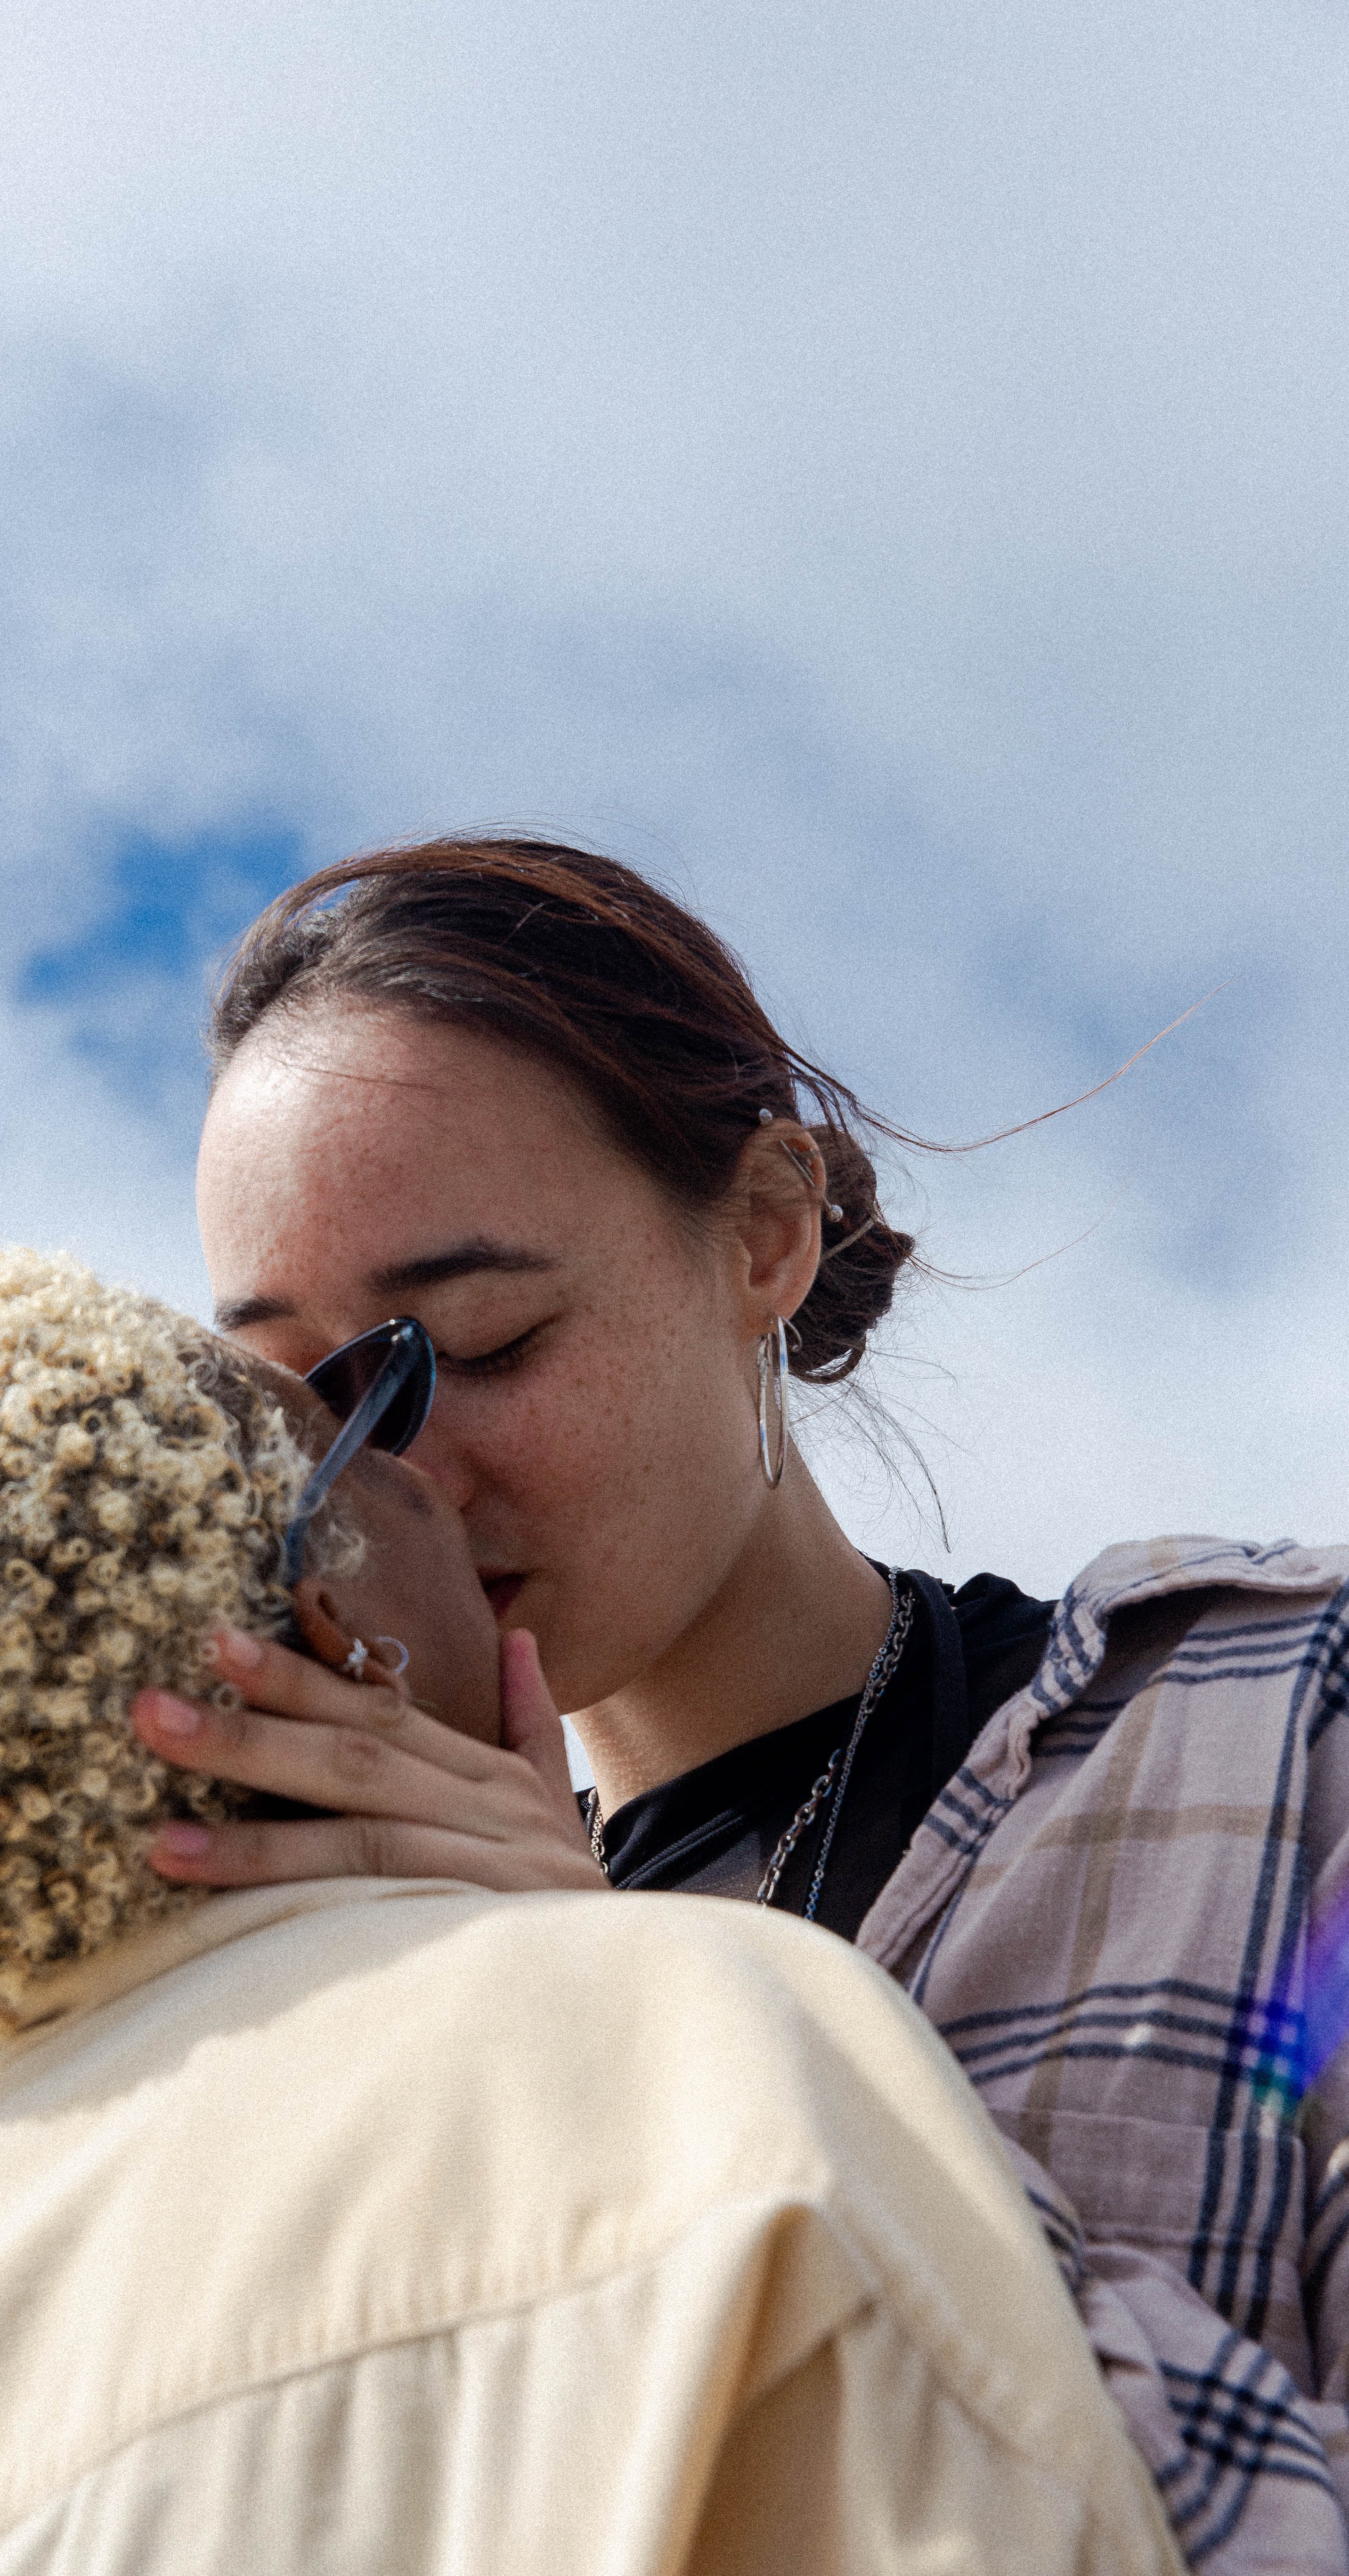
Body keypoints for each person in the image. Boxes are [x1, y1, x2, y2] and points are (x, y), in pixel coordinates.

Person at [125, 835, 1349, 2573]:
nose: (388, 1479)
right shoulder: (289, 2031)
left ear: (765, 1236)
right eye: (296, 1397)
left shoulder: (1281, 1720)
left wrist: (641, 2025)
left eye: (472, 1344)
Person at [0, 1247, 1181, 2575]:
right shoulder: (701, 2051)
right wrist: (602, 1977)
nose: (435, 1473)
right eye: (366, 1426)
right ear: (334, 1613)